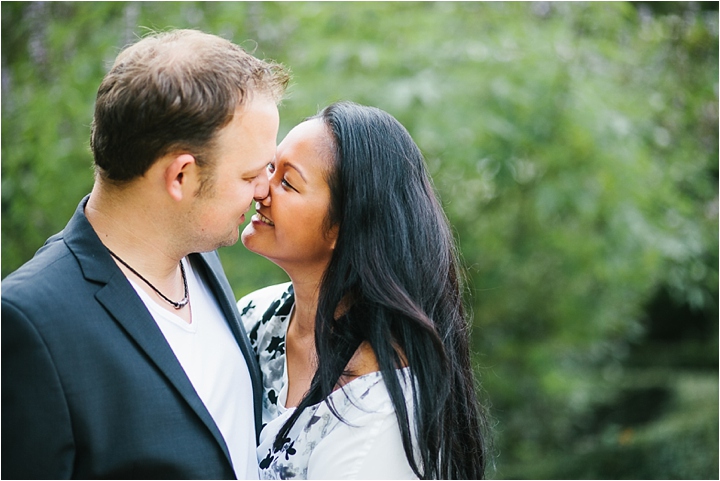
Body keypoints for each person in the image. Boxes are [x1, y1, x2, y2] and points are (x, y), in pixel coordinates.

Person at [1, 29, 289, 479]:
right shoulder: (28, 322)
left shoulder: (198, 256)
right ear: (181, 177)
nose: (264, 189)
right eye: (252, 174)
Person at [238, 101, 489, 479]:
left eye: (287, 182)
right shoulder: (256, 316)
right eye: (270, 168)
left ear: (343, 227)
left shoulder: (377, 404)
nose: (261, 189)